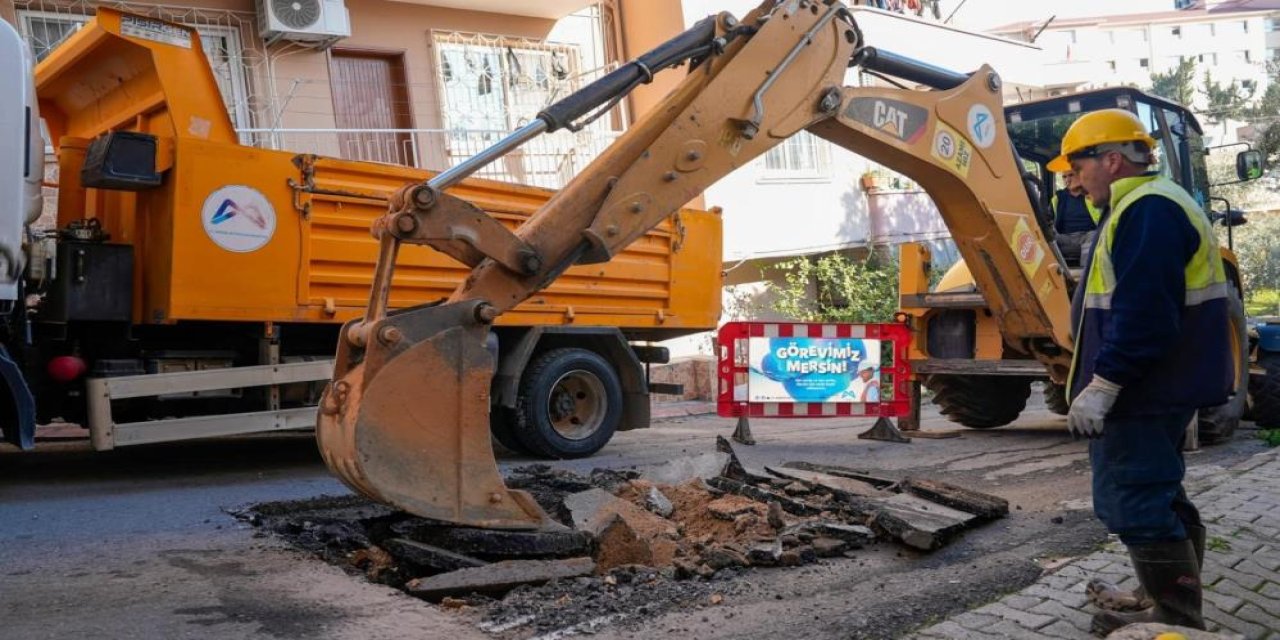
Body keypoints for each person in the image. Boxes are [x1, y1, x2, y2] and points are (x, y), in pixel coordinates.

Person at [1048, 109, 1232, 636]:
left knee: (1133, 500)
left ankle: (1175, 621)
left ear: (1111, 159)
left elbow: (1146, 315)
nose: (1072, 181)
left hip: (1144, 390)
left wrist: (1104, 386)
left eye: (1077, 167)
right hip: (1160, 386)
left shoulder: (1148, 210)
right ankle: (1165, 601)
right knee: (1160, 492)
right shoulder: (1146, 205)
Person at [1050, 168, 1101, 267]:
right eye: (1064, 177)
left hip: (1088, 236)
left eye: (1071, 175)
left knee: (1095, 236)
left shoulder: (1092, 195)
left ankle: (1085, 273)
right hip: (1064, 237)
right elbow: (1048, 219)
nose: (1067, 180)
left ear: (1080, 175)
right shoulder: (1058, 198)